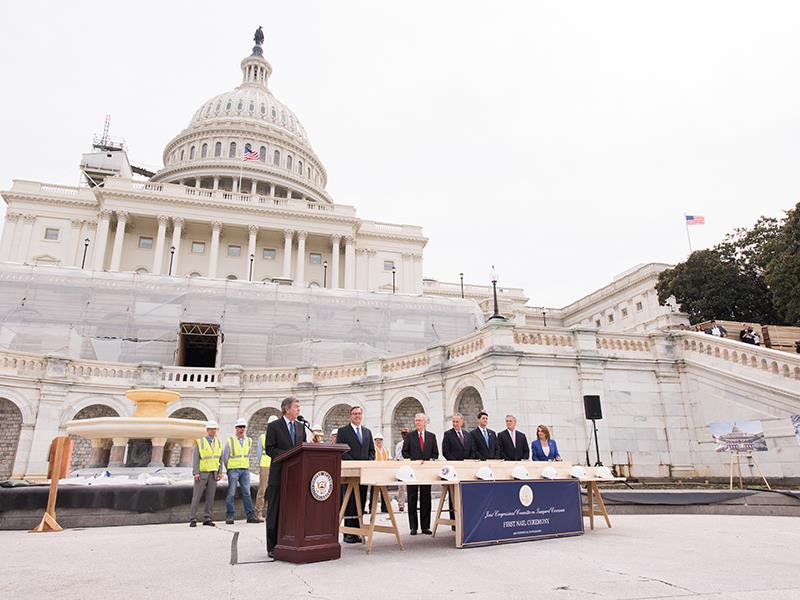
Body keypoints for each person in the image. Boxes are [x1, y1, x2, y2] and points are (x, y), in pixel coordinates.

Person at [264, 396, 306, 559]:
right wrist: (289, 455)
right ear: (287, 409)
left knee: (293, 511)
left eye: (299, 406)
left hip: (296, 477)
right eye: (296, 406)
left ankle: (290, 541)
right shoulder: (274, 426)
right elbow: (270, 449)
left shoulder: (301, 427)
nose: (298, 409)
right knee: (275, 511)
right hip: (279, 475)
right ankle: (272, 546)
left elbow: (303, 449)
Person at [336, 406, 374, 543]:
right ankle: (348, 534)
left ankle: (357, 531)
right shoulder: (343, 431)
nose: (357, 416)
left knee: (362, 501)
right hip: (350, 472)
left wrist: (367, 463)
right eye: (354, 414)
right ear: (350, 416)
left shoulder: (367, 432)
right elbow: (342, 451)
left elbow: (371, 451)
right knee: (350, 502)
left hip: (364, 473)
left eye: (359, 413)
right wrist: (355, 463)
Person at [402, 413, 438, 535]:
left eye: (419, 420)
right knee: (412, 498)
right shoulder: (409, 436)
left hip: (426, 473)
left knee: (425, 498)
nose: (417, 422)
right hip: (413, 472)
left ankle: (425, 526)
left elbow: (435, 454)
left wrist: (429, 461)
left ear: (425, 422)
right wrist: (414, 461)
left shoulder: (431, 436)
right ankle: (413, 527)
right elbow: (404, 452)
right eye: (416, 420)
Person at [222, 417, 261, 525]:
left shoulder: (249, 440)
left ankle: (250, 516)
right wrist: (228, 469)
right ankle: (230, 515)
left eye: (243, 427)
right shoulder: (230, 441)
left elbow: (247, 454)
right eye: (239, 427)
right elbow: (225, 456)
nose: (241, 429)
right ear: (236, 428)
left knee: (247, 493)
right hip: (233, 470)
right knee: (231, 493)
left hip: (245, 470)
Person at [441, 413, 473, 528]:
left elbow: (472, 450)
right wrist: (456, 463)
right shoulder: (448, 434)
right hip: (454, 469)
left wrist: (466, 462)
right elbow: (445, 451)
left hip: (465, 469)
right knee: (453, 496)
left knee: (465, 495)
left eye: (457, 422)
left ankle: (464, 520)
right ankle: (454, 522)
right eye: (453, 422)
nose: (455, 424)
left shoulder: (467, 435)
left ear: (462, 422)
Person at [189, 420, 223, 527]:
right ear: (207, 430)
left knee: (210, 497)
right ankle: (193, 518)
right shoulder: (200, 442)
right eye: (211, 429)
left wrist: (220, 472)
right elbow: (196, 459)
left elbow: (220, 459)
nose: (213, 431)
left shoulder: (219, 442)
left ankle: (207, 518)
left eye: (215, 429)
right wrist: (196, 472)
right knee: (196, 496)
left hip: (213, 473)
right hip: (202, 473)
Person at [255, 415, 278, 520]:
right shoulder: (263, 437)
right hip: (265, 465)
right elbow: (259, 453)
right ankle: (259, 512)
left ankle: (270, 513)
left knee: (273, 490)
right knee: (262, 490)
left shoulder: (278, 437)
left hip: (275, 464)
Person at [367, 431, 389, 513]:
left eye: (380, 440)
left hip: (384, 473)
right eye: (377, 440)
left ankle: (385, 508)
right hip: (375, 473)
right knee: (373, 492)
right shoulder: (373, 450)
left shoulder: (385, 450)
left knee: (384, 492)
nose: (378, 441)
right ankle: (371, 508)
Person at [394, 428, 409, 512]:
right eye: (404, 434)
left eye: (406, 434)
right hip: (401, 465)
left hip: (409, 465)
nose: (405, 436)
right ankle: (401, 504)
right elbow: (397, 456)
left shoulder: (412, 443)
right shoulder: (399, 444)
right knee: (401, 487)